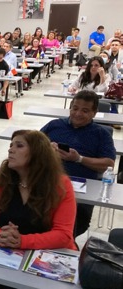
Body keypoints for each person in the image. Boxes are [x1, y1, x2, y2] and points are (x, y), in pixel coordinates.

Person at [0, 130, 77, 289]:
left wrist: (21, 241)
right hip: (7, 256)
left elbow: (63, 234)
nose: (10, 150)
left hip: (47, 258)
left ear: (37, 153)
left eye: (19, 146)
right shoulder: (0, 179)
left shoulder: (60, 185)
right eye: (11, 145)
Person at [41, 91, 115, 238]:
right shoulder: (54, 125)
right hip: (45, 187)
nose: (78, 113)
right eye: (75, 108)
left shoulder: (101, 134)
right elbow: (30, 146)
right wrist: (46, 149)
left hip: (79, 194)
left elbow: (109, 164)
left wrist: (79, 159)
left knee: (67, 227)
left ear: (94, 113)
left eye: (85, 110)